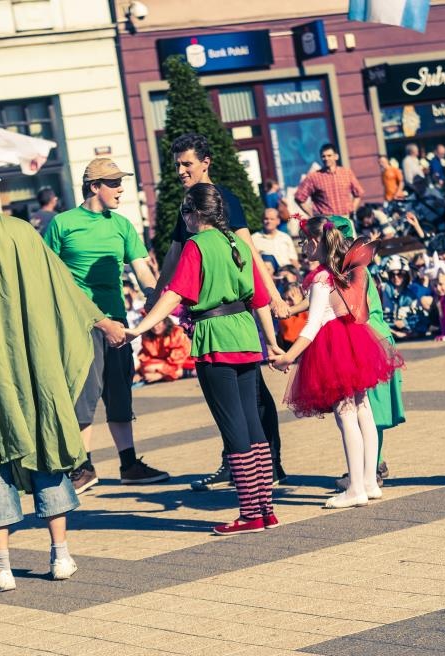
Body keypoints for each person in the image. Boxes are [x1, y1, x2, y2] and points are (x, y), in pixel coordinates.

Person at [0, 160, 125, 589]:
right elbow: (63, 288)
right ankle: (61, 556)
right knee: (44, 443)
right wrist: (103, 322)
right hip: (31, 367)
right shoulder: (20, 233)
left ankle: (1, 567)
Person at [126, 182, 281, 534]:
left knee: (233, 427)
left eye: (185, 212)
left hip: (215, 336)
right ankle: (266, 510)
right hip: (245, 334)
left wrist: (140, 328)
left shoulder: (196, 245)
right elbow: (259, 298)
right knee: (253, 424)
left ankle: (249, 514)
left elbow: (175, 294)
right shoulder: (235, 241)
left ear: (197, 213)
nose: (184, 219)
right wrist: (272, 344)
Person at [153, 133, 289, 490]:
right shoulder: (189, 204)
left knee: (252, 393)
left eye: (187, 164)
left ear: (205, 162)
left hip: (233, 313)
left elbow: (248, 249)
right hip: (211, 318)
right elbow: (174, 254)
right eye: (177, 165)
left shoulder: (223, 199)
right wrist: (155, 295)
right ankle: (241, 465)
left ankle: (269, 466)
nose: (180, 171)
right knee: (237, 398)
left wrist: (273, 294)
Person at [45, 158, 169, 493]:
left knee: (120, 394)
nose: (120, 189)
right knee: (83, 396)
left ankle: (129, 465)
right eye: (113, 183)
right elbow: (48, 275)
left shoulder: (122, 225)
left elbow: (141, 267)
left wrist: (154, 295)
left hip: (117, 323)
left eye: (120, 182)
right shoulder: (62, 224)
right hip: (79, 326)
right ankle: (82, 467)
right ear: (94, 186)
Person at [270, 221, 402, 508]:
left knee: (346, 415)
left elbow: (313, 324)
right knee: (363, 410)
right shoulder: (346, 270)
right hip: (355, 339)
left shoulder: (321, 278)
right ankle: (369, 482)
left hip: (334, 346)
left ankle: (355, 488)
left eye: (303, 241)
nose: (302, 247)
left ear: (315, 242)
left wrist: (289, 357)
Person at [295, 143, 365, 218]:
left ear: (336, 157)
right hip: (326, 220)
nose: (326, 158)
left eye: (329, 156)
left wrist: (352, 210)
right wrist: (313, 215)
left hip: (345, 218)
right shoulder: (314, 177)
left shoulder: (347, 173)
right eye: (323, 156)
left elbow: (359, 193)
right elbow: (299, 198)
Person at [133, 318, 192, 385]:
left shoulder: (176, 332)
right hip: (163, 363)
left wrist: (160, 375)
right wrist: (139, 372)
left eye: (158, 323)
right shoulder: (147, 336)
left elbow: (177, 361)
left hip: (182, 362)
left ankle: (186, 372)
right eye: (152, 324)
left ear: (165, 321)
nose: (155, 327)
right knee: (146, 368)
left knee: (151, 369)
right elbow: (145, 356)